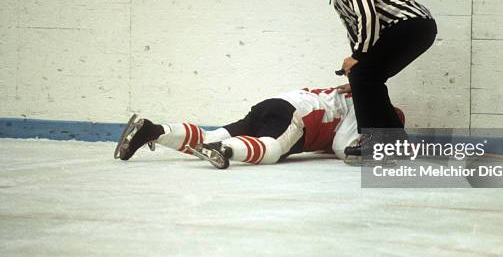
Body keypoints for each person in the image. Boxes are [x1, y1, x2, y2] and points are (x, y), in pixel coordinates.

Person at [300, 0, 436, 152]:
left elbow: (367, 16)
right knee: (365, 75)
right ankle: (398, 144)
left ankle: (375, 140)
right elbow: (356, 33)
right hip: (412, 29)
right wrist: (357, 79)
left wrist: (358, 57)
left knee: (363, 71)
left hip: (412, 24)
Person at [115, 87, 405, 169]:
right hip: (296, 115)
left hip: (276, 103)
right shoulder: (364, 106)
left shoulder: (344, 96)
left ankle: (152, 130)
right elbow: (346, 149)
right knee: (275, 148)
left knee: (211, 134)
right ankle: (225, 150)